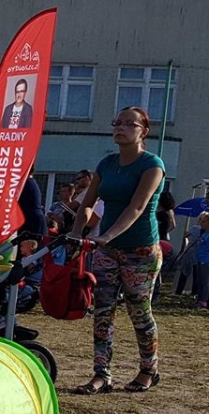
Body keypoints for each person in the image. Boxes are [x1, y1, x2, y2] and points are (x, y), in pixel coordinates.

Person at [70, 106, 165, 394]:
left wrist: (107, 235)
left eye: (129, 124)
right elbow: (87, 203)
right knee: (102, 311)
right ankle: (102, 374)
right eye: (118, 123)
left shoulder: (152, 165)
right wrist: (76, 232)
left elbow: (137, 206)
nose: (121, 128)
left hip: (141, 250)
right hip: (107, 251)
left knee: (139, 311)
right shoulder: (106, 164)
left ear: (143, 132)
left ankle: (148, 370)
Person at [195, 211, 209, 310]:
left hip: (206, 260)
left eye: (204, 222)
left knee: (205, 281)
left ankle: (203, 301)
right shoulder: (204, 234)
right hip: (200, 259)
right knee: (200, 280)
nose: (201, 223)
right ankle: (200, 299)